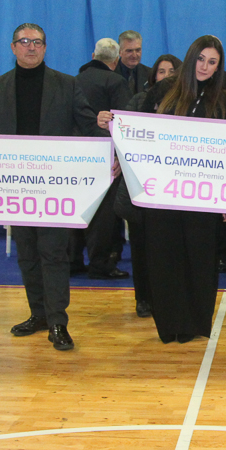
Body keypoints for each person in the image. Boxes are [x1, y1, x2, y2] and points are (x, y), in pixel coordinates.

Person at [0, 23, 104, 351]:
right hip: (14, 188)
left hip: (55, 187)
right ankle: (38, 314)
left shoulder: (67, 84)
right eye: (25, 41)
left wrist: (111, 151)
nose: (31, 47)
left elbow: (88, 125)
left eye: (38, 42)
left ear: (45, 47)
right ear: (13, 47)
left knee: (54, 253)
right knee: (26, 252)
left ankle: (58, 322)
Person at [101, 35, 226, 343]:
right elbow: (137, 131)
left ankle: (193, 323)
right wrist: (114, 134)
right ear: (190, 58)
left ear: (219, 67)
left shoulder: (225, 102)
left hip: (203, 196)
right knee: (164, 258)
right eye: (200, 59)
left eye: (212, 62)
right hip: (160, 193)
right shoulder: (163, 91)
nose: (205, 67)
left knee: (199, 259)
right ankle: (169, 323)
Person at [119, 54, 181, 318]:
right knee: (141, 247)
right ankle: (143, 298)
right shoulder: (137, 101)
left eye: (171, 71)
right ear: (153, 75)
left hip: (174, 190)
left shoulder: (186, 105)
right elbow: (122, 135)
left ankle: (168, 298)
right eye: (161, 71)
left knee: (170, 249)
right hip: (140, 189)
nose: (166, 76)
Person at [72, 38, 132, 280]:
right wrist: (120, 156)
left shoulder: (73, 81)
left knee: (77, 206)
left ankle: (73, 260)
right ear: (116, 61)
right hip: (105, 155)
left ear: (93, 56)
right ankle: (100, 263)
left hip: (76, 155)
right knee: (104, 213)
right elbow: (123, 122)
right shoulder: (116, 81)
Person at [117, 30, 153, 94]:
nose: (134, 55)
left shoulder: (150, 74)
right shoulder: (110, 74)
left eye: (138, 50)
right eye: (129, 51)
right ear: (120, 52)